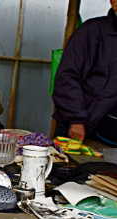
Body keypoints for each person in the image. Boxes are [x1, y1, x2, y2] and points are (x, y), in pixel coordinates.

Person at [52, 0, 117, 144]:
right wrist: (76, 119)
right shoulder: (91, 32)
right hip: (87, 131)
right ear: (114, 3)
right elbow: (66, 77)